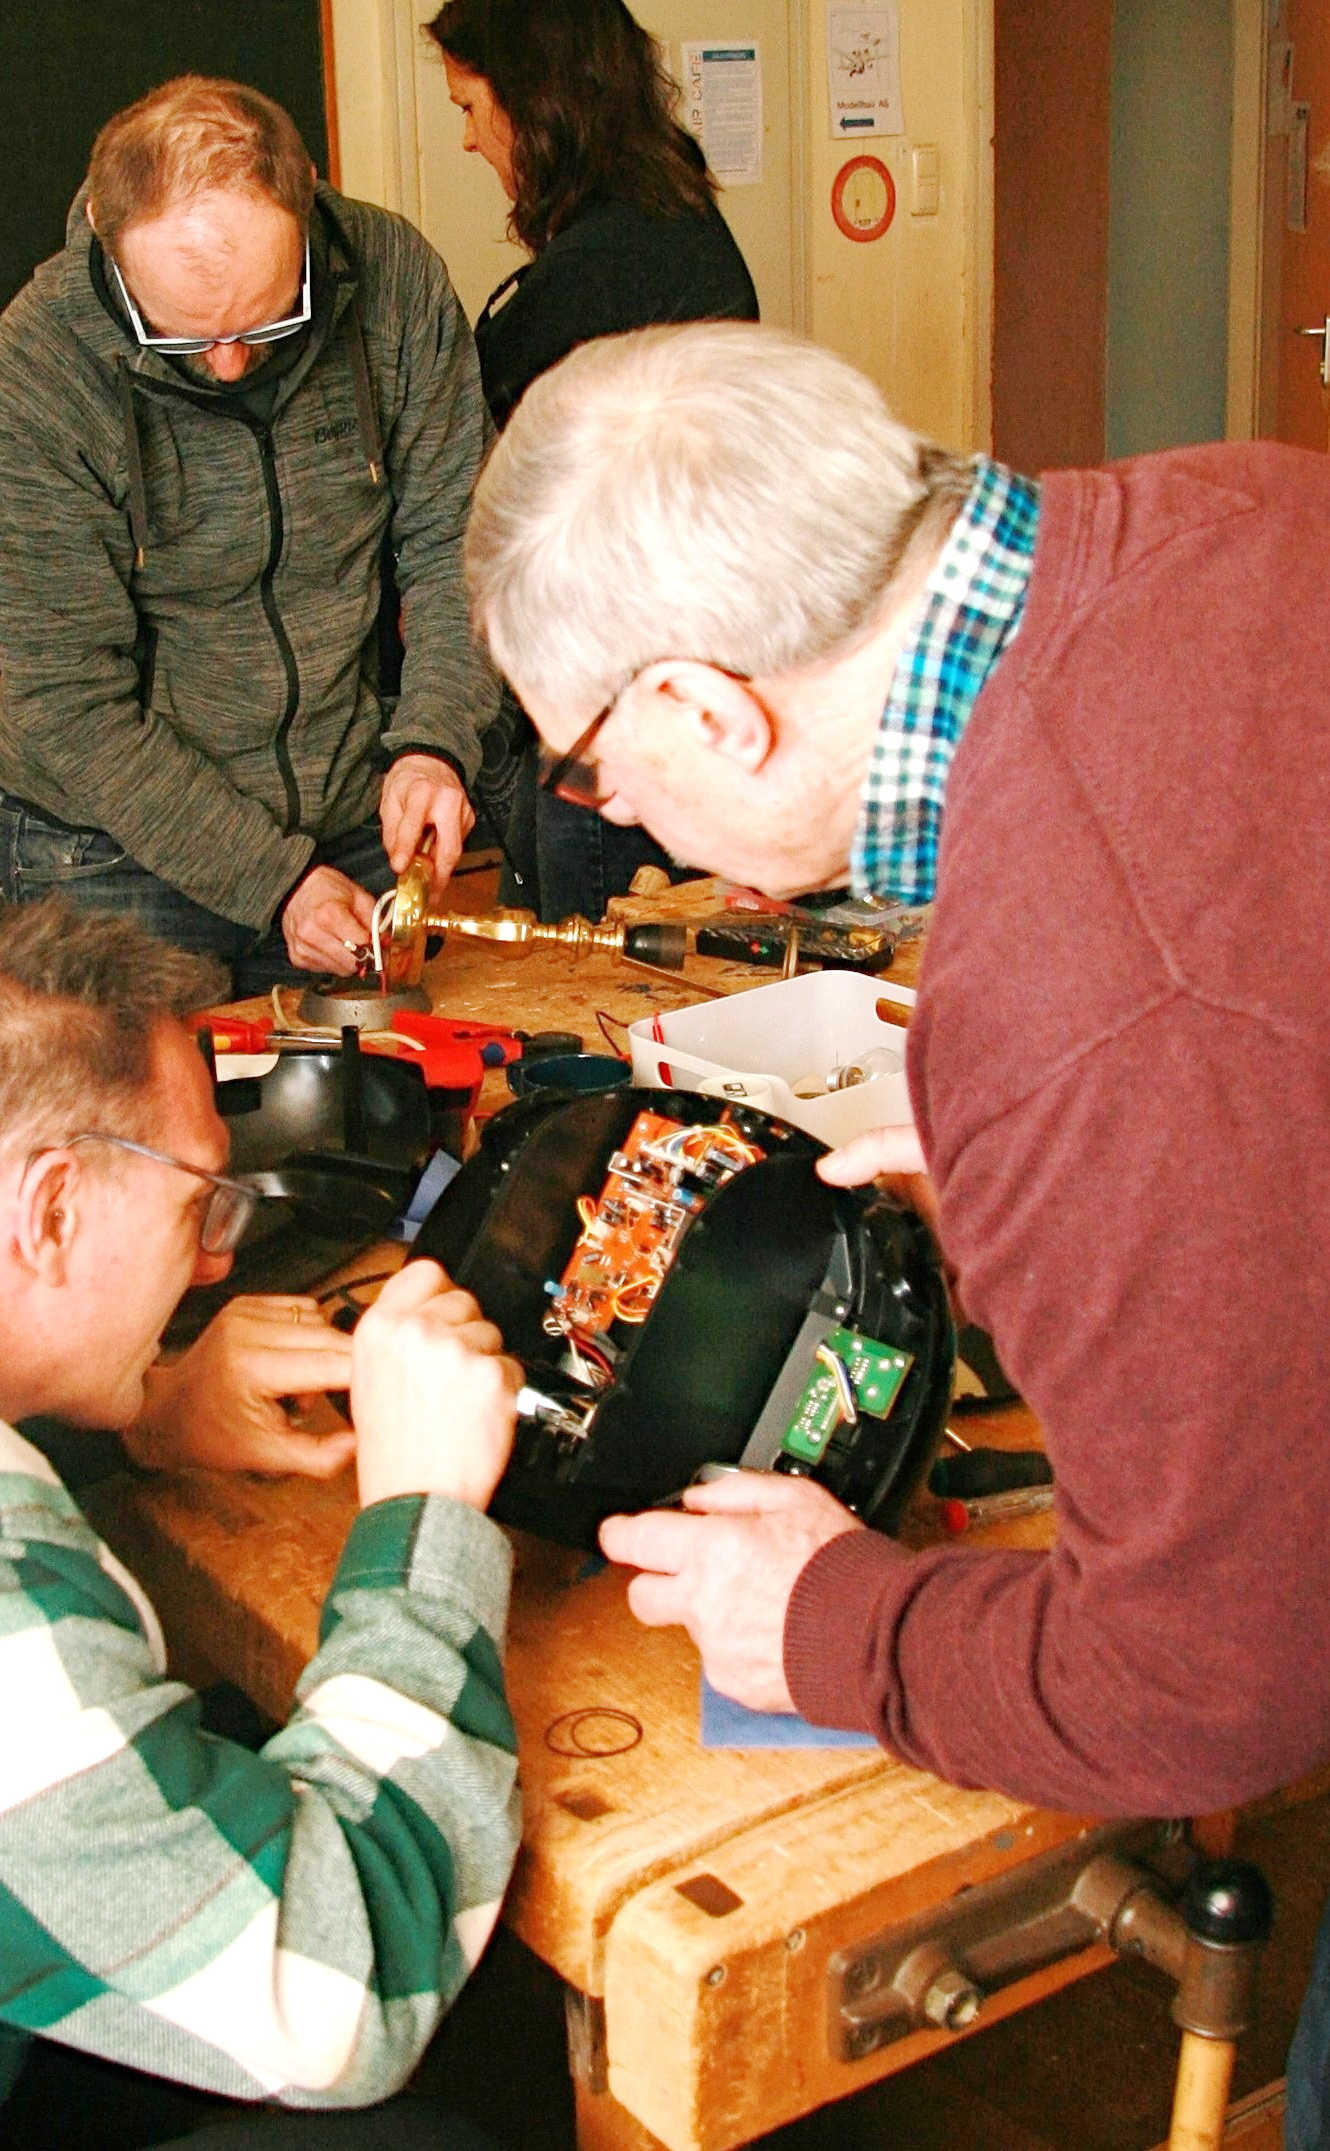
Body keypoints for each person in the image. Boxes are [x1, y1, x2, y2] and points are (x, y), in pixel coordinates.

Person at [463, 318, 1330, 2137]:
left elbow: (1208, 1691)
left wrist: (833, 1619)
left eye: (588, 765)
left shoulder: (1082, 1016)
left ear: (705, 703)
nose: (621, 824)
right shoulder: (1243, 503)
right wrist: (1119, 1162)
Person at [0, 894, 521, 2151]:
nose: (213, 1263)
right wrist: (424, 1516)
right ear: (51, 1209)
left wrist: (142, 1419)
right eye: (200, 1203)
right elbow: (343, 1990)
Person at [0, 77, 498, 993]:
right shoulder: (37, 372)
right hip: (116, 856)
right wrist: (274, 878)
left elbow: (461, 546)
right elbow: (70, 703)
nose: (228, 363)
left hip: (349, 822)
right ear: (104, 232)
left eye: (267, 321)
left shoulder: (395, 281)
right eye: (180, 336)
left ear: (308, 198)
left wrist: (433, 743)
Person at [424, 0, 758, 924]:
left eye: (469, 107)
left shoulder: (605, 266)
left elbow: (483, 466)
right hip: (657, 683)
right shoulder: (672, 222)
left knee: (592, 967)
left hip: (620, 700)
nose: (467, 139)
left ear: (533, 102)